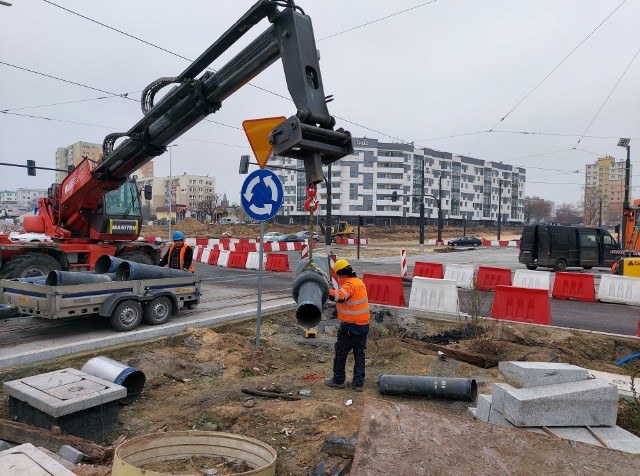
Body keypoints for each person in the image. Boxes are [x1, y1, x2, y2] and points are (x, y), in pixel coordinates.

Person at [324, 259, 370, 392]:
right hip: (363, 325)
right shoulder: (359, 282)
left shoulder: (349, 284)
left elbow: (341, 297)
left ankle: (338, 380)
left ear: (340, 274)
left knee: (341, 352)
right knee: (359, 354)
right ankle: (358, 383)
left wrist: (327, 290)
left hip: (351, 327)